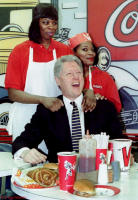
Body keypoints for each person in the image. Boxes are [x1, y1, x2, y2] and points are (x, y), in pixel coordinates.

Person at [5, 5, 94, 145]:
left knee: (54, 162)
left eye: (54, 22)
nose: (51, 27)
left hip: (55, 117)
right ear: (36, 23)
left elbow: (76, 80)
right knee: (26, 158)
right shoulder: (20, 51)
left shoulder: (64, 50)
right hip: (25, 117)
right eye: (45, 22)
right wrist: (43, 100)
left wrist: (89, 91)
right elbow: (13, 93)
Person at [12, 55, 123, 164]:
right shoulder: (47, 111)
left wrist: (124, 154)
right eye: (69, 74)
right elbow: (20, 142)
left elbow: (119, 141)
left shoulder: (104, 107)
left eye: (79, 73)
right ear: (58, 80)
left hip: (98, 174)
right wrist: (25, 152)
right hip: (60, 176)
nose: (76, 77)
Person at [68, 33, 122, 113]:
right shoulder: (65, 76)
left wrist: (101, 101)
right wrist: (86, 92)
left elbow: (116, 107)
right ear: (73, 53)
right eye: (85, 49)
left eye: (92, 50)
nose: (91, 53)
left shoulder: (104, 77)